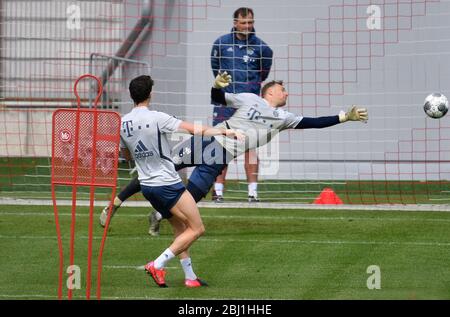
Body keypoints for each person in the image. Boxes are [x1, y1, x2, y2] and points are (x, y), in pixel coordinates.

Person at [100, 72, 368, 237]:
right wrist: (216, 84)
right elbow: (219, 97)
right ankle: (117, 202)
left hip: (222, 152)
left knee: (193, 192)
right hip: (214, 139)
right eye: (283, 89)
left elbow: (313, 122)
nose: (286, 93)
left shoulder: (284, 117)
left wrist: (344, 117)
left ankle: (159, 216)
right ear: (270, 91)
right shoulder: (250, 98)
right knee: (163, 166)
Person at [118, 75, 244, 287]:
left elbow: (126, 156)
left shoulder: (123, 123)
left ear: (132, 96)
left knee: (180, 227)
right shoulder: (157, 117)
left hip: (147, 187)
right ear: (150, 94)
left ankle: (190, 277)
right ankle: (157, 264)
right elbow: (195, 130)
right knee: (197, 229)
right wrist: (225, 130)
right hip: (167, 184)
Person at [210, 7, 273, 203]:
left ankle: (253, 193)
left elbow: (263, 74)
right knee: (220, 145)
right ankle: (218, 192)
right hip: (226, 103)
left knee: (250, 147)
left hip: (250, 107)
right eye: (244, 22)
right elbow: (215, 69)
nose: (247, 26)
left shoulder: (263, 48)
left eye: (250, 22)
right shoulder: (220, 43)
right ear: (235, 22)